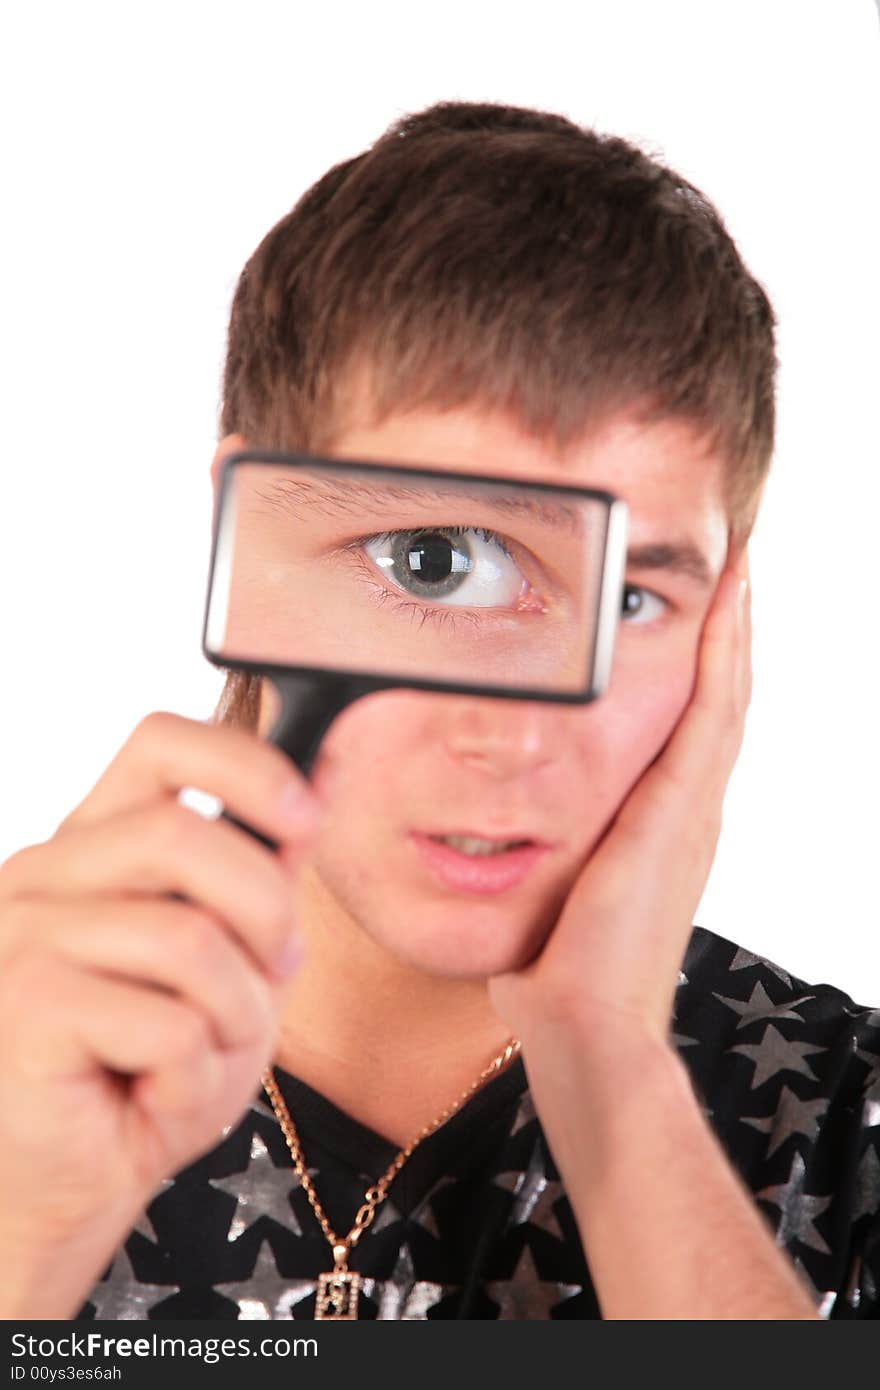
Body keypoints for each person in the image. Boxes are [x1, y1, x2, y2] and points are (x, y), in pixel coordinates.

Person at [1, 100, 877, 1323]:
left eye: (628, 597)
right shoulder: (23, 1050)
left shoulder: (842, 1121)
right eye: (431, 563)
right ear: (243, 547)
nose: (516, 738)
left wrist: (609, 1066)